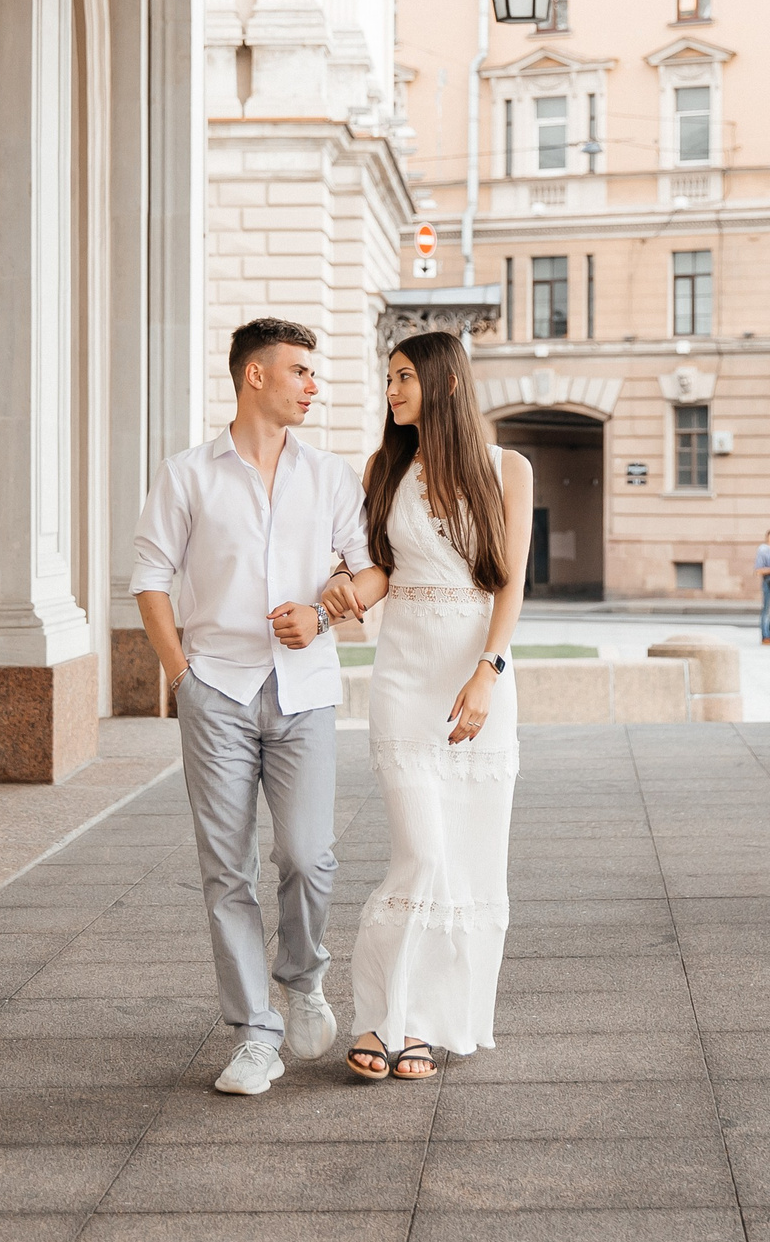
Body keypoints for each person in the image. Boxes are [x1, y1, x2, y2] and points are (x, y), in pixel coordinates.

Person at [132, 317, 384, 1096]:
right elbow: (149, 578)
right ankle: (254, 1033)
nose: (313, 385)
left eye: (313, 372)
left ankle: (302, 978)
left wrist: (325, 614)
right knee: (226, 869)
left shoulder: (330, 475)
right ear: (256, 375)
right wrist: (182, 676)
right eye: (300, 370)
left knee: (308, 855)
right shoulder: (187, 475)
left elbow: (372, 571)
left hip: (304, 690)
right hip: (217, 690)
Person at [321, 331, 533, 1081]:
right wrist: (343, 590)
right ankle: (380, 1016)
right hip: (405, 681)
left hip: (477, 678)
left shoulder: (508, 469)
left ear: (446, 381)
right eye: (388, 378)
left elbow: (510, 582)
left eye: (404, 376)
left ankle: (424, 1024)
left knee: (469, 859)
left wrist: (487, 674)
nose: (391, 390)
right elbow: (379, 570)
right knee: (423, 853)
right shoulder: (383, 467)